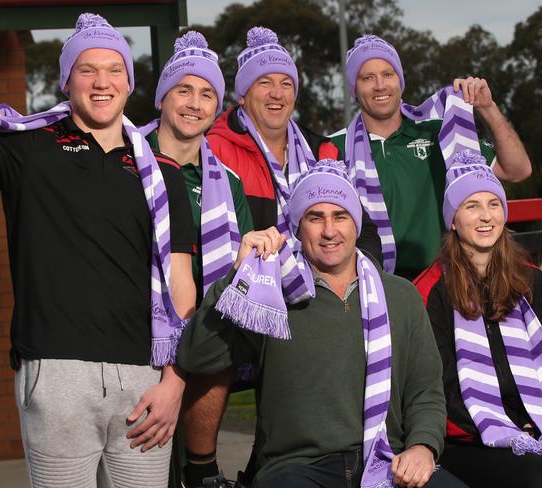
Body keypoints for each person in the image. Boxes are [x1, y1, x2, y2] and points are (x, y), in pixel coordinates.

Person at [0, 1, 196, 487]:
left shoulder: (162, 175)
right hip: (56, 377)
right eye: (87, 69)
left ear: (130, 81)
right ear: (67, 80)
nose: (102, 82)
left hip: (145, 380)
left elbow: (181, 287)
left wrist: (175, 382)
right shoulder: (28, 149)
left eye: (114, 69)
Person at [178, 160, 468, 488]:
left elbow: (425, 391)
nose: (329, 231)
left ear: (356, 225)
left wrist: (422, 446)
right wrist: (237, 277)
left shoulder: (400, 295)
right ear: (298, 227)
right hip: (296, 467)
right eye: (315, 217)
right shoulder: (270, 292)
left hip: (388, 459)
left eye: (340, 216)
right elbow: (197, 357)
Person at [182, 27, 382, 487]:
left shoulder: (319, 148)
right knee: (220, 340)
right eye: (264, 83)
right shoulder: (212, 143)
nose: (276, 93)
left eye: (286, 83)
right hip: (238, 278)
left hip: (305, 284)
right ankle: (202, 473)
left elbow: (354, 221)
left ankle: (279, 463)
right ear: (243, 92)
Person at [139, 31, 254, 487]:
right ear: (162, 98)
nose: (195, 102)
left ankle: (203, 472)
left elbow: (238, 266)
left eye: (207, 93)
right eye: (183, 89)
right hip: (130, 331)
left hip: (198, 333)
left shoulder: (227, 181)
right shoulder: (127, 159)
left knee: (217, 334)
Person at [329, 34, 532, 280]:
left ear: (400, 81)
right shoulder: (335, 147)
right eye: (367, 78)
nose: (380, 85)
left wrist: (488, 108)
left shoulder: (438, 130)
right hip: (375, 286)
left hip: (446, 282)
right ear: (354, 88)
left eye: (388, 74)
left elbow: (517, 170)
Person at [414, 151, 542, 487]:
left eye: (493, 204)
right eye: (471, 206)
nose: (485, 216)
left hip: (533, 426)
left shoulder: (531, 281)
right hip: (468, 438)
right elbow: (435, 388)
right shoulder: (428, 292)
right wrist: (512, 426)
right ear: (453, 219)